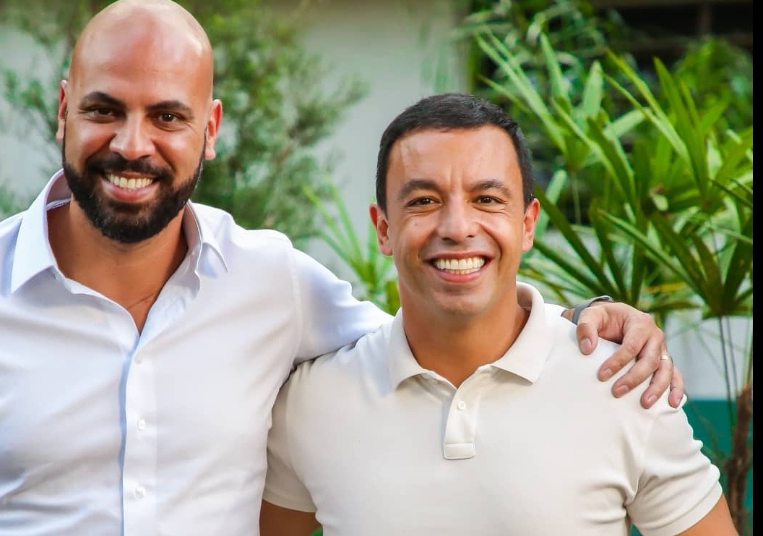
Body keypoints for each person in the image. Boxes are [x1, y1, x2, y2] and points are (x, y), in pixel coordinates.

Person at [0, 0, 679, 536]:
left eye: (166, 115)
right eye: (104, 110)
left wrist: (590, 320)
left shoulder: (272, 283)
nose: (132, 145)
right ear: (63, 110)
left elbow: (442, 309)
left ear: (211, 128)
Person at [260, 93, 734, 536]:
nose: (458, 227)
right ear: (384, 229)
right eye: (424, 201)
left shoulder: (623, 385)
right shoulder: (310, 402)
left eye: (487, 199)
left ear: (527, 224)